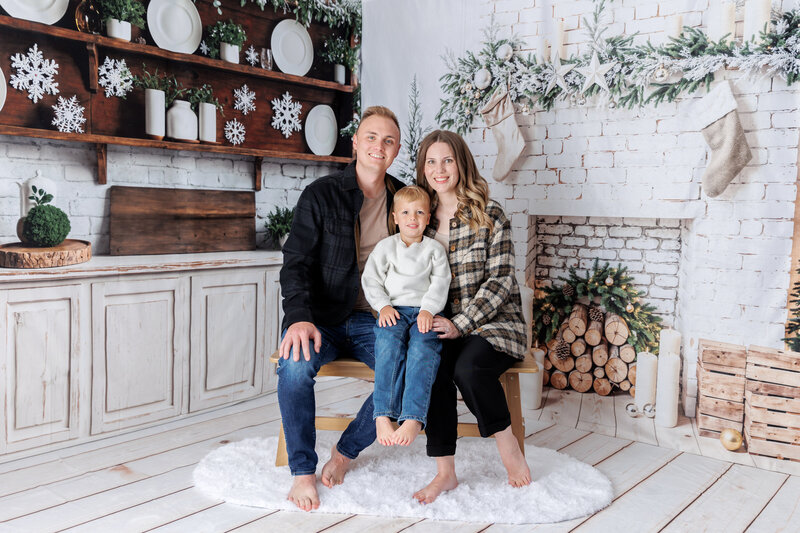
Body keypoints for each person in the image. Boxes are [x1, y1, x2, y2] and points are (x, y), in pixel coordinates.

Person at [277, 106, 404, 512]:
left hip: (377, 319)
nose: (378, 146)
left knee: (407, 371)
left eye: (387, 140)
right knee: (294, 366)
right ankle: (302, 471)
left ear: (397, 149)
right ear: (355, 143)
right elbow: (295, 263)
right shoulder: (322, 194)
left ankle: (345, 453)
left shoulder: (405, 200)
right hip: (322, 318)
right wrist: (298, 317)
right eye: (371, 137)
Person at [412, 130, 532, 504]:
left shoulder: (490, 214)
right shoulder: (420, 219)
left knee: (467, 370)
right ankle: (445, 473)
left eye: (447, 160)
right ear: (423, 168)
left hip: (495, 323)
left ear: (461, 163)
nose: (439, 169)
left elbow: (501, 280)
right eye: (431, 161)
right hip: (442, 325)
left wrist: (462, 324)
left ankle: (507, 444)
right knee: (433, 370)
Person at [361, 185, 451, 447]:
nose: (413, 218)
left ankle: (412, 417)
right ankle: (383, 416)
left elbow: (440, 283)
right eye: (406, 212)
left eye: (419, 212)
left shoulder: (434, 250)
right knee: (388, 348)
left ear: (428, 218)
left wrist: (428, 309)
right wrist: (383, 306)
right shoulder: (386, 247)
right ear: (395, 217)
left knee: (423, 349)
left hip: (425, 312)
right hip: (393, 311)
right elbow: (371, 280)